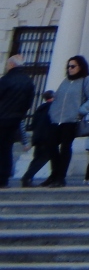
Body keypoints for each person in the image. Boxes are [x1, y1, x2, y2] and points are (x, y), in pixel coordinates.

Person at [46, 54, 89, 187]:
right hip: (56, 119)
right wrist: (52, 111)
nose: (70, 69)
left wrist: (81, 110)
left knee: (65, 148)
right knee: (50, 146)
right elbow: (58, 98)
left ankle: (60, 177)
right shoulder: (65, 81)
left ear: (80, 67)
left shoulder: (86, 80)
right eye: (68, 66)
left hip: (71, 120)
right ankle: (54, 174)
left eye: (73, 66)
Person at [0, 54, 34, 188]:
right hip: (16, 119)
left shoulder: (5, 80)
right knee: (7, 148)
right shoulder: (28, 81)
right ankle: (4, 177)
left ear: (11, 65)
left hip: (2, 117)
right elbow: (29, 102)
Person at [20, 90, 57, 187]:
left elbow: (33, 125)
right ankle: (27, 177)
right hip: (47, 137)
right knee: (43, 158)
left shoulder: (39, 109)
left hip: (37, 137)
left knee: (37, 159)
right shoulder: (54, 108)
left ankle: (27, 178)